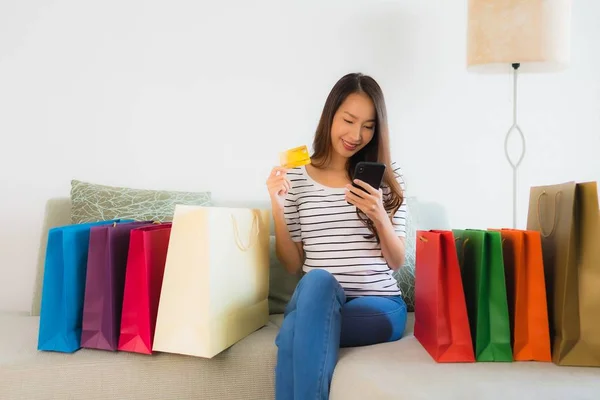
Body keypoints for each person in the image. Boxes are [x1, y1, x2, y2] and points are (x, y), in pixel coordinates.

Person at [265, 72, 408, 400]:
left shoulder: (385, 179)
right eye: (349, 120)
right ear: (330, 115)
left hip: (379, 305)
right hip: (318, 299)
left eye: (369, 125)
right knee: (319, 281)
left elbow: (397, 262)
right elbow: (291, 264)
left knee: (294, 331)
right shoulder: (297, 179)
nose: (357, 135)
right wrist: (277, 204)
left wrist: (379, 215)